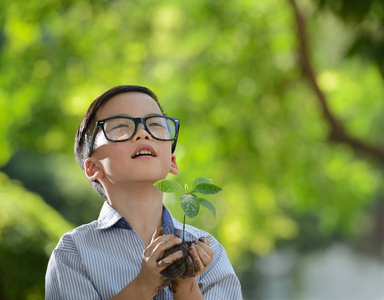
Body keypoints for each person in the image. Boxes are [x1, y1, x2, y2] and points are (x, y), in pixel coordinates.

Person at [45, 85, 242, 299]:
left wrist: (186, 285)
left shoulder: (210, 253)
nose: (142, 133)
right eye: (120, 126)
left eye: (156, 125)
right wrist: (145, 284)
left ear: (172, 162)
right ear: (93, 167)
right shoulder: (73, 253)